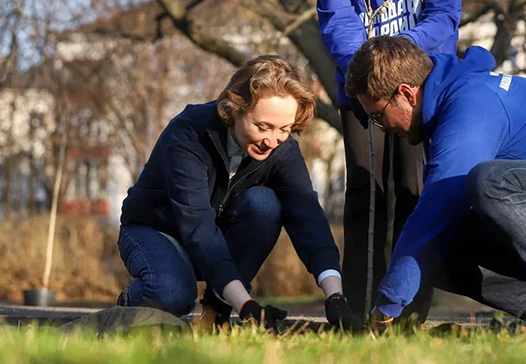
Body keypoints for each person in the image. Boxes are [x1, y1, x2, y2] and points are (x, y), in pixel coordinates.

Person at [345, 36, 526, 329]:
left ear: (407, 93)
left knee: (489, 181)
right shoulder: (453, 102)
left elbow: (436, 208)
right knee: (440, 244)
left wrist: (389, 303)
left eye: (378, 116)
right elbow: (433, 225)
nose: (380, 127)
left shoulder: (471, 102)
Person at [310, 0, 464, 317]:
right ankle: (359, 313)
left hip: (421, 84)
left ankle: (409, 312)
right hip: (361, 86)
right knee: (365, 196)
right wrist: (370, 74)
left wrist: (395, 60)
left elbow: (444, 15)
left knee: (416, 192)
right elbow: (337, 23)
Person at [116, 55, 360, 331]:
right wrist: (246, 305)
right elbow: (199, 228)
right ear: (235, 108)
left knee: (264, 205)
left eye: (284, 129)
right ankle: (129, 303)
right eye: (262, 127)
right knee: (172, 295)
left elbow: (308, 218)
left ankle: (216, 314)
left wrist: (335, 297)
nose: (272, 140)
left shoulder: (282, 149)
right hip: (156, 231)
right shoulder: (189, 134)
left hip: (213, 239)